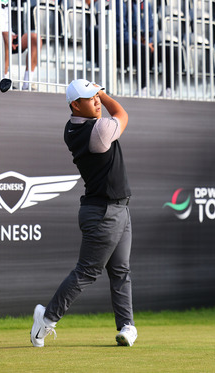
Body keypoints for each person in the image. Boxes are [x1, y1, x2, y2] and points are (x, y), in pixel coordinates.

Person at [30, 79, 137, 348]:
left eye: (97, 97)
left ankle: (127, 326)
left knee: (121, 271)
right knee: (87, 272)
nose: (98, 101)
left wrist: (93, 93)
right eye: (91, 99)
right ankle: (46, 320)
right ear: (76, 105)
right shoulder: (98, 131)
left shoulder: (72, 127)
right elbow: (122, 115)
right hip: (104, 213)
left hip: (117, 209)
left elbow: (100, 112)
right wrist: (104, 92)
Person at [0, 0, 41, 90]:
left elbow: (6, 22)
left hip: (8, 34)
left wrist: (12, 35)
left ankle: (26, 84)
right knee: (5, 36)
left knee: (35, 39)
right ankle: (3, 81)